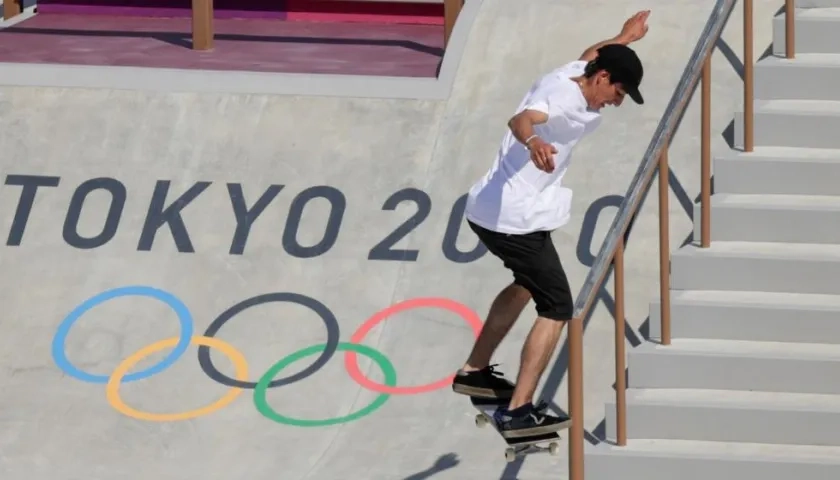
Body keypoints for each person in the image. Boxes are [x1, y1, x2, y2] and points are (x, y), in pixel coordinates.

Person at [451, 10, 650, 439]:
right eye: (617, 92)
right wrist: (534, 141)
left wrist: (624, 36)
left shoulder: (580, 70)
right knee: (557, 305)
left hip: (496, 211)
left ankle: (475, 371)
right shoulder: (557, 95)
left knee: (527, 284)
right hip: (514, 219)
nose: (616, 102)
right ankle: (519, 412)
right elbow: (520, 120)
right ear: (602, 79)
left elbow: (592, 52)